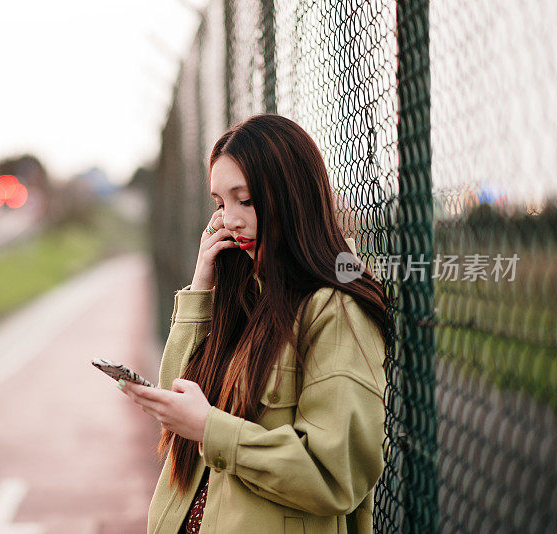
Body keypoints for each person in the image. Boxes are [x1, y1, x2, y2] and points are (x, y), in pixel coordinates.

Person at [118, 113, 387, 534]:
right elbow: (179, 394)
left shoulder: (335, 309)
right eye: (220, 204)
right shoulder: (244, 294)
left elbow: (335, 475)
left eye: (245, 200)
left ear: (291, 197)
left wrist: (211, 430)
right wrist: (201, 289)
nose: (230, 220)